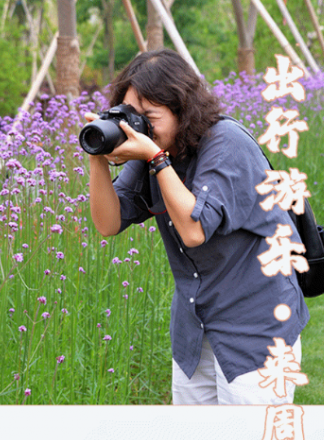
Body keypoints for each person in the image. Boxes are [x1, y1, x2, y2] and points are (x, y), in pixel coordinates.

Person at [86, 49, 310, 405]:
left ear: (182, 109)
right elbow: (107, 223)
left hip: (257, 328)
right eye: (130, 115)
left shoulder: (225, 144)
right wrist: (97, 157)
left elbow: (194, 230)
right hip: (196, 328)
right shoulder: (156, 149)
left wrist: (155, 159)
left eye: (149, 116)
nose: (138, 125)